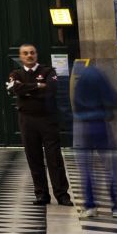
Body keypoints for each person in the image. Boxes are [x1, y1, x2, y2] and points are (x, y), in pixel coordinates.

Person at [9, 44, 71, 206]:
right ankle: (41, 194)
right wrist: (37, 86)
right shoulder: (16, 73)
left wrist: (27, 91)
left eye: (32, 53)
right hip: (27, 120)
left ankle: (62, 194)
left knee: (54, 158)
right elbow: (14, 89)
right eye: (25, 53)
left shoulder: (48, 71)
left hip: (47, 119)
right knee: (33, 157)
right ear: (20, 56)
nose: (29, 56)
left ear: (36, 54)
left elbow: (51, 89)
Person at [71, 46, 117, 219]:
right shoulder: (99, 75)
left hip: (82, 125)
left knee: (86, 169)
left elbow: (74, 101)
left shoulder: (80, 79)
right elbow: (112, 99)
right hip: (99, 124)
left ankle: (90, 205)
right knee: (110, 167)